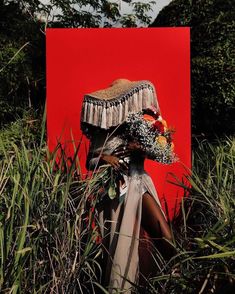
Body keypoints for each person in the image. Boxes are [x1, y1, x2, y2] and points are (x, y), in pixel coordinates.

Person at [81, 78, 174, 293]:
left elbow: (162, 153)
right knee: (120, 245)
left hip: (139, 181)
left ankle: (177, 278)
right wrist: (105, 159)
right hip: (115, 188)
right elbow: (89, 161)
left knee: (164, 235)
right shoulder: (102, 131)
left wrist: (143, 148)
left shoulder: (139, 124)